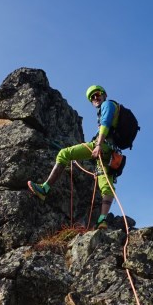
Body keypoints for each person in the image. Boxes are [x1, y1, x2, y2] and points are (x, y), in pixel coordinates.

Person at [27, 84, 121, 230]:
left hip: (102, 146)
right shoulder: (114, 109)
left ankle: (44, 189)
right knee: (106, 185)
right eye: (92, 98)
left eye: (97, 94)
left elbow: (105, 124)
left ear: (104, 94)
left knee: (64, 154)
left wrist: (98, 144)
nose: (95, 98)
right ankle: (102, 220)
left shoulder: (108, 105)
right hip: (111, 153)